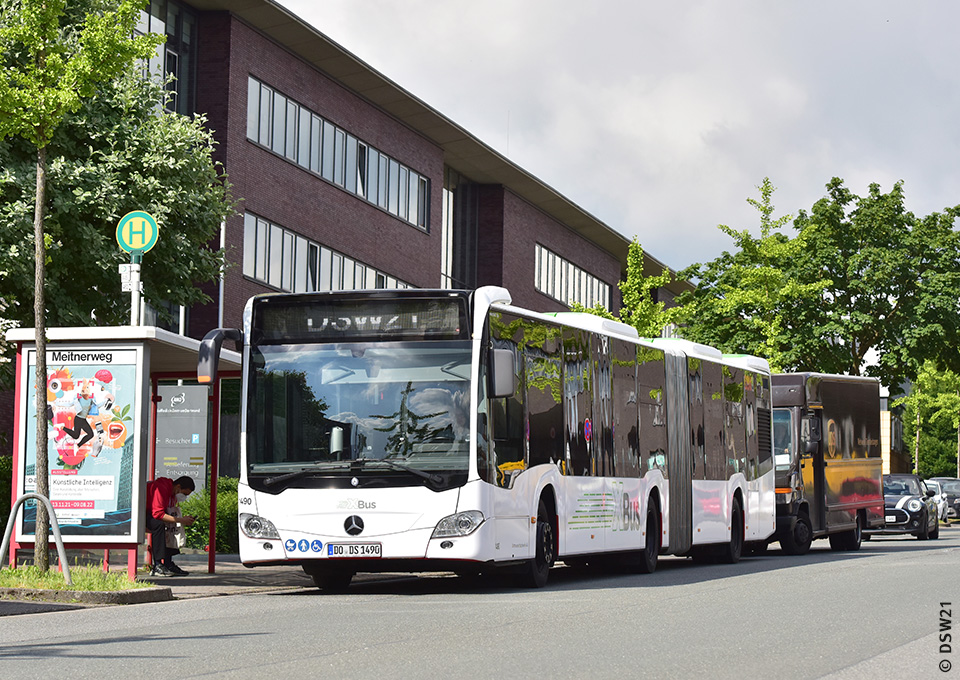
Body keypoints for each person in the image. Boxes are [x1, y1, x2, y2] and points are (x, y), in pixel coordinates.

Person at [146, 475, 196, 577]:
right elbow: (157, 514)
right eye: (184, 493)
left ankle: (168, 564)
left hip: (152, 513)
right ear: (178, 487)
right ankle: (158, 564)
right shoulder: (161, 488)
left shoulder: (172, 493)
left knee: (170, 525)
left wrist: (181, 519)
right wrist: (181, 520)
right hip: (142, 513)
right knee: (159, 525)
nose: (184, 497)